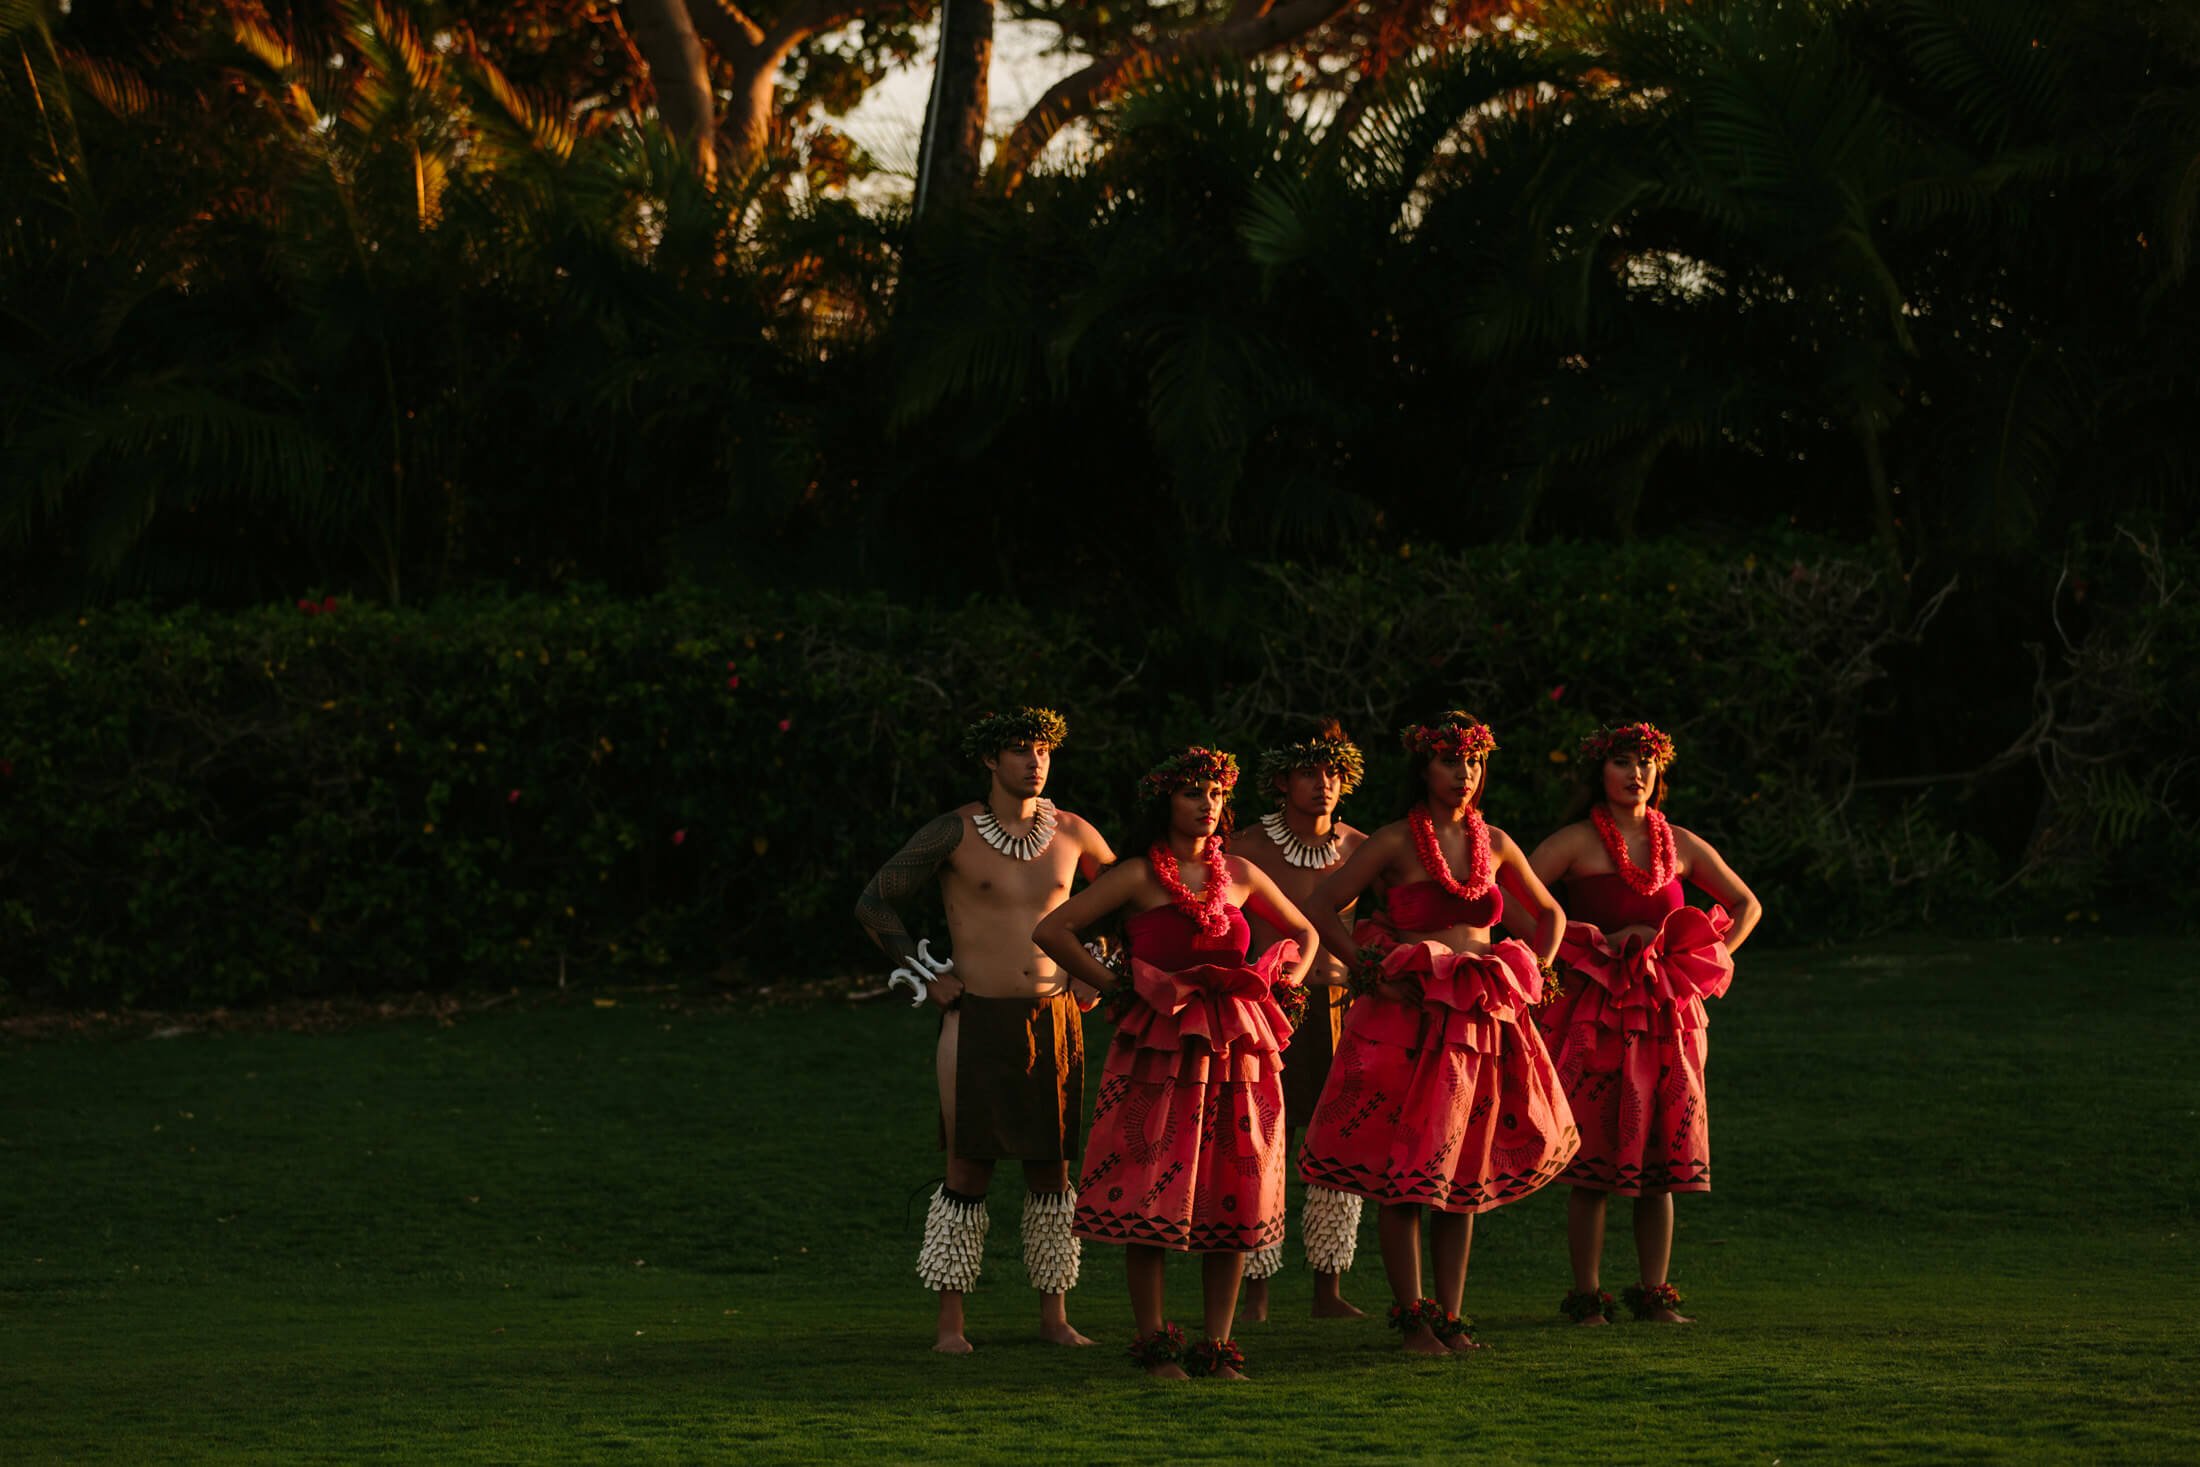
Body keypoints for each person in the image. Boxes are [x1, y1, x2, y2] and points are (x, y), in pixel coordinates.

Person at [1032, 747, 1320, 1379]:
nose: (1206, 805)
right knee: (1148, 1192)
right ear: (1166, 801)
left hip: (1233, 1052)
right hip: (1159, 1049)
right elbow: (1054, 930)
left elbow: (1304, 931)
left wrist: (1286, 985)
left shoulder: (1240, 873)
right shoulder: (1136, 875)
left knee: (1232, 1192)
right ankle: (1156, 1346)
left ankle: (1217, 1348)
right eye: (1193, 794)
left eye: (1216, 794)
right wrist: (1113, 984)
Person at [1297, 712, 1578, 1356]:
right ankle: (1412, 1319)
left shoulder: (1497, 842)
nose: (1464, 774)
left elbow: (1551, 913)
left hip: (1478, 1019)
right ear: (1423, 769)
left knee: (1463, 1173)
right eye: (1451, 761)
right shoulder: (1394, 841)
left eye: (1473, 762)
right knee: (1408, 1171)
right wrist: (1365, 968)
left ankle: (1450, 1317)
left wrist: (1536, 968)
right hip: (1410, 1017)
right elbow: (1321, 906)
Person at [853, 706, 1116, 1354]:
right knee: (966, 1169)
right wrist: (925, 970)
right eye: (1022, 749)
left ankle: (1054, 1317)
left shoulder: (1076, 832)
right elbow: (873, 900)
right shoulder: (955, 831)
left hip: (1053, 1020)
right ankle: (951, 1325)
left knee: (1052, 1175)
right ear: (990, 760)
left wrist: (1097, 966)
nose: (1035, 760)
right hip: (976, 1019)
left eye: (1044, 750)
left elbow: (1126, 897)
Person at [1528, 722, 1761, 1325]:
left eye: (1646, 763)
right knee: (1594, 1161)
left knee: (1661, 1156)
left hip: (1665, 1012)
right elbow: (1514, 896)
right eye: (1623, 762)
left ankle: (1655, 1295)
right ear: (1598, 774)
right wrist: (1577, 952)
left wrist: (1703, 954)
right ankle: (1587, 1297)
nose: (1636, 774)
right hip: (1597, 1014)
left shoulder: (1678, 842)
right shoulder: (1576, 842)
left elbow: (1746, 903)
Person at [1233, 720, 1371, 1321]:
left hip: (1345, 1010)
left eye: (1334, 772)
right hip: (1265, 1013)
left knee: (1336, 1146)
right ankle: (1256, 1290)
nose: (1324, 784)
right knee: (1263, 1144)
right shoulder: (1244, 848)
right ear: (1283, 778)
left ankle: (1328, 1288)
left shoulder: (1364, 849)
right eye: (1311, 772)